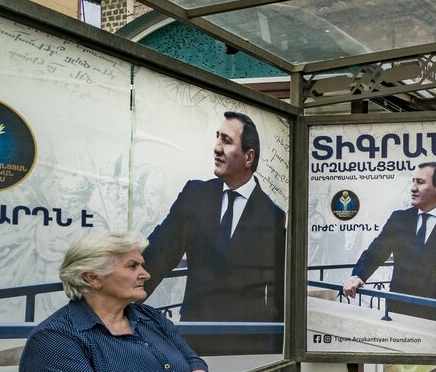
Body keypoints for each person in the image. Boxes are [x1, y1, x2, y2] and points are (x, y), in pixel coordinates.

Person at [143, 111, 286, 354]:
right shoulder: (194, 195)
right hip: (194, 340)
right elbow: (159, 253)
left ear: (249, 157)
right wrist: (120, 300)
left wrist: (278, 353)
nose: (216, 148)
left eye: (226, 141)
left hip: (248, 346)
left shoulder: (274, 216)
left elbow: (278, 294)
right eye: (217, 137)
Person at [19, 232, 207, 372]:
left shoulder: (150, 316)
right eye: (132, 266)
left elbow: (193, 361)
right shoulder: (55, 339)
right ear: (92, 277)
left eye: (142, 265)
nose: (146, 275)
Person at [342, 162, 436, 324]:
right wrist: (358, 276)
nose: (412, 188)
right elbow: (376, 252)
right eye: (413, 181)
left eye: (420, 182)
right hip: (399, 311)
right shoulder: (399, 219)